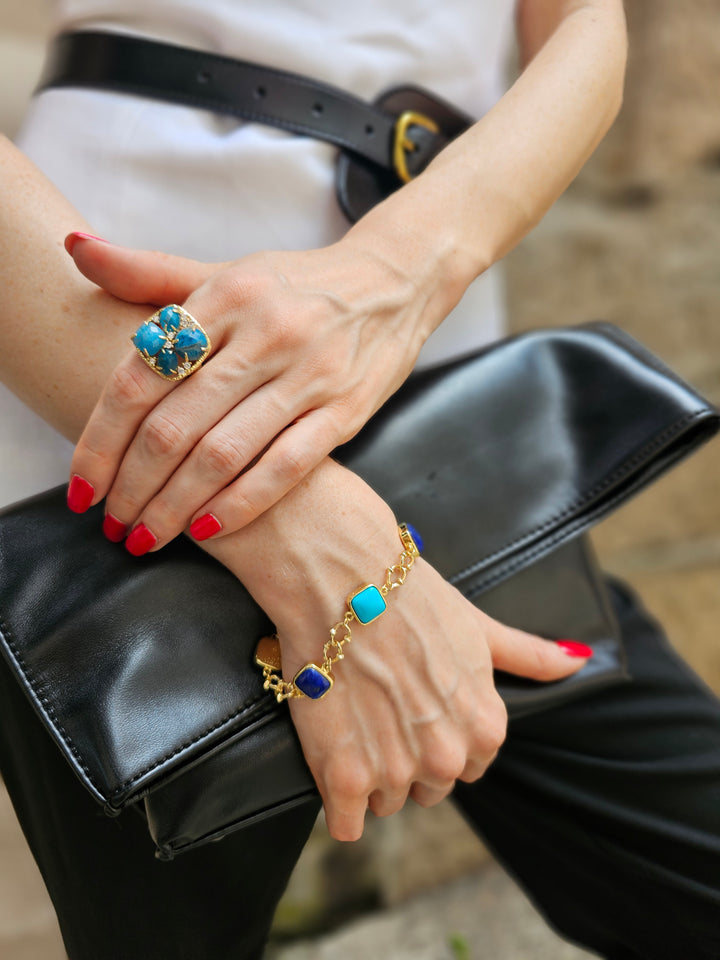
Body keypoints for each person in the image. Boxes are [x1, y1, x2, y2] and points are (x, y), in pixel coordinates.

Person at [0, 2, 718, 959]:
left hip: (433, 387)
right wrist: (313, 531)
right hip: (104, 351)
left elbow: (588, 25)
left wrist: (395, 273)